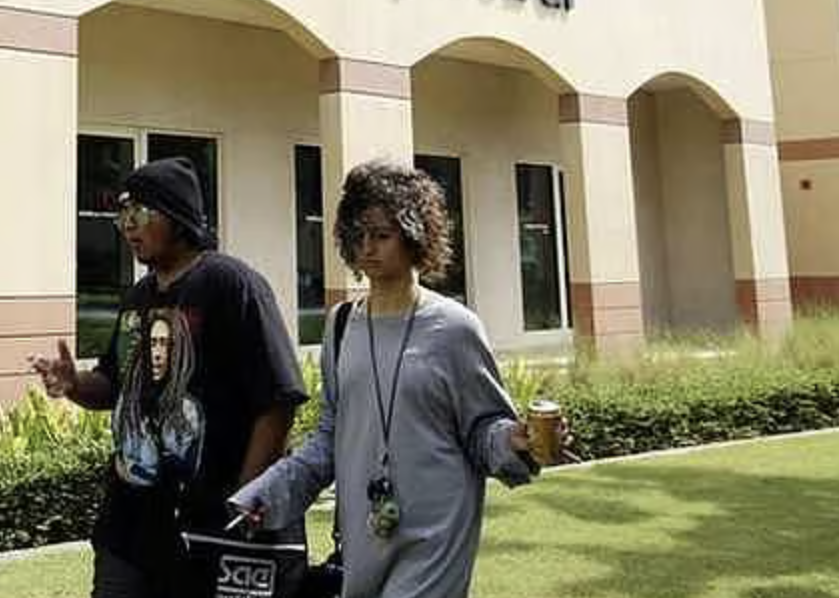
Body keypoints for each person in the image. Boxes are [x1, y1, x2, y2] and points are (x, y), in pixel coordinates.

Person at [230, 159, 545, 598]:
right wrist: (268, 492)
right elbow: (330, 437)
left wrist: (514, 440)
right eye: (357, 235)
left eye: (381, 235)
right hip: (366, 538)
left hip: (438, 535)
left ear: (416, 235)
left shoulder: (455, 328)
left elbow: (482, 429)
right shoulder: (341, 326)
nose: (367, 248)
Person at [30, 156, 308, 598]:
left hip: (211, 528)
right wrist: (75, 385)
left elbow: (278, 400)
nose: (128, 226)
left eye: (140, 213)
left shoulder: (232, 285)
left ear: (177, 217)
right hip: (129, 526)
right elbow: (115, 384)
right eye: (122, 214)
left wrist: (246, 496)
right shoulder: (138, 296)